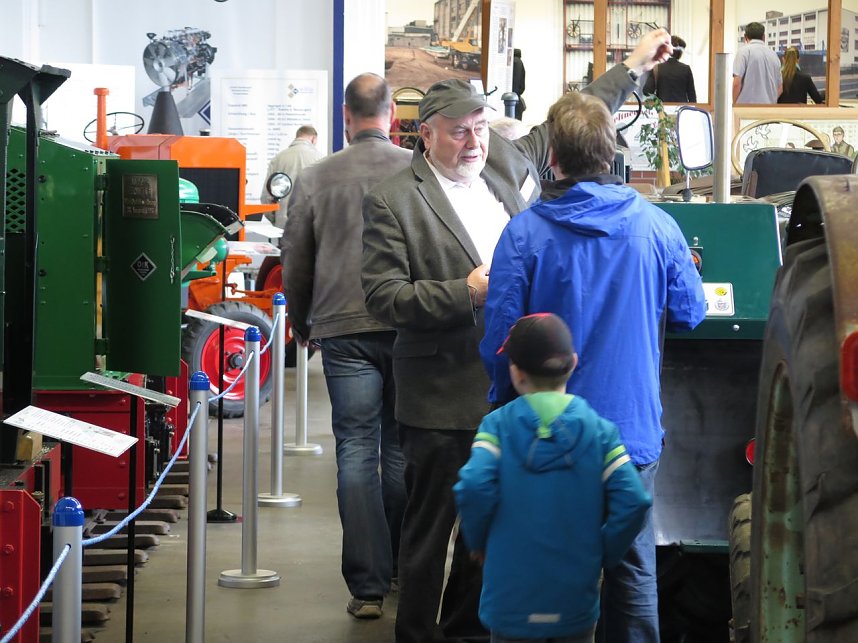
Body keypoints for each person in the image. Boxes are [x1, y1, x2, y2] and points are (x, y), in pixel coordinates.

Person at [361, 27, 674, 643]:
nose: (474, 139)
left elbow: (577, 120)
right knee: (429, 538)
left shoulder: (505, 160)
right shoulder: (393, 200)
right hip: (441, 397)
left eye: (480, 126)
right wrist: (467, 291)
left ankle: (464, 633)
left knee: (490, 533)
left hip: (508, 396)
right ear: (425, 134)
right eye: (459, 129)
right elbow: (383, 298)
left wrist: (633, 65)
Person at [479, 90, 707, 642]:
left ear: (551, 156)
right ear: (611, 154)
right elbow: (691, 312)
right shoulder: (657, 228)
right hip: (629, 435)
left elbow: (499, 345)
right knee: (631, 572)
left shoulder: (525, 235)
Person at [281, 73, 409, 620]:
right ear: (393, 118)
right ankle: (404, 563)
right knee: (401, 447)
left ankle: (367, 586)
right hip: (408, 324)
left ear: (345, 115)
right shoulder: (417, 171)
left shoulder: (317, 177)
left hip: (342, 327)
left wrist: (304, 321)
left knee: (355, 450)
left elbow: (296, 257)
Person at [455, 313, 652, 643]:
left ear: (515, 372)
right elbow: (634, 501)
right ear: (573, 363)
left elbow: (473, 486)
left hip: (510, 600)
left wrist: (478, 542)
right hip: (574, 599)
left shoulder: (497, 428)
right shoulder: (600, 432)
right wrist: (604, 552)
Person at [261, 124, 324, 231]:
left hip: (283, 225)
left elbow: (266, 196)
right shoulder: (321, 159)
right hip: (311, 225)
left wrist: (275, 219)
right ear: (313, 139)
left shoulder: (278, 158)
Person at [733, 22, 782, 104]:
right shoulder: (774, 55)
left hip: (746, 109)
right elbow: (780, 87)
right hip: (769, 109)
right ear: (764, 37)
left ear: (745, 37)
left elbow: (736, 83)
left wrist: (734, 103)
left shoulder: (743, 52)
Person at [642, 35, 696, 102]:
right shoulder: (686, 69)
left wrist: (658, 96)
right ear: (680, 53)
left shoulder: (657, 68)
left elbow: (646, 91)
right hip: (681, 110)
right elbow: (692, 97)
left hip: (662, 109)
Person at [512, 48, 526, 120]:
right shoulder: (520, 62)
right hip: (517, 98)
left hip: (512, 99)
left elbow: (515, 81)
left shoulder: (514, 62)